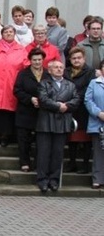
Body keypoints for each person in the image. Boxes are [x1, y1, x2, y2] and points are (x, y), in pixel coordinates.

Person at [35, 60, 80, 193]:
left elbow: (76, 99)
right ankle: (42, 180)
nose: (59, 69)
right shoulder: (44, 83)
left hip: (62, 122)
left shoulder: (70, 85)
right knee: (43, 153)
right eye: (56, 67)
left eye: (61, 67)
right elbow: (43, 99)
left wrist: (67, 106)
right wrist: (58, 106)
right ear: (50, 70)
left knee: (57, 153)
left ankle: (54, 180)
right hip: (46, 122)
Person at [13, 48, 47, 172]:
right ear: (30, 60)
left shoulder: (48, 74)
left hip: (42, 112)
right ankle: (24, 162)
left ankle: (39, 162)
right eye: (34, 60)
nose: (37, 62)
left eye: (39, 60)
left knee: (40, 139)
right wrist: (30, 99)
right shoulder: (23, 73)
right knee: (23, 139)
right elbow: (17, 90)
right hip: (25, 111)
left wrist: (43, 101)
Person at [64, 46, 95, 174]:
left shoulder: (90, 72)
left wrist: (73, 98)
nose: (77, 60)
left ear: (84, 59)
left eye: (79, 58)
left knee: (85, 139)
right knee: (72, 139)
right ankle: (72, 163)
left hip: (83, 109)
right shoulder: (66, 72)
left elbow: (88, 89)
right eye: (74, 58)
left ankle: (85, 165)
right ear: (70, 60)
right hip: (70, 110)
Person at [85, 60, 104, 189]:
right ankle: (97, 179)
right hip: (98, 123)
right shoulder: (94, 83)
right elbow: (88, 100)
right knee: (98, 153)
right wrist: (98, 113)